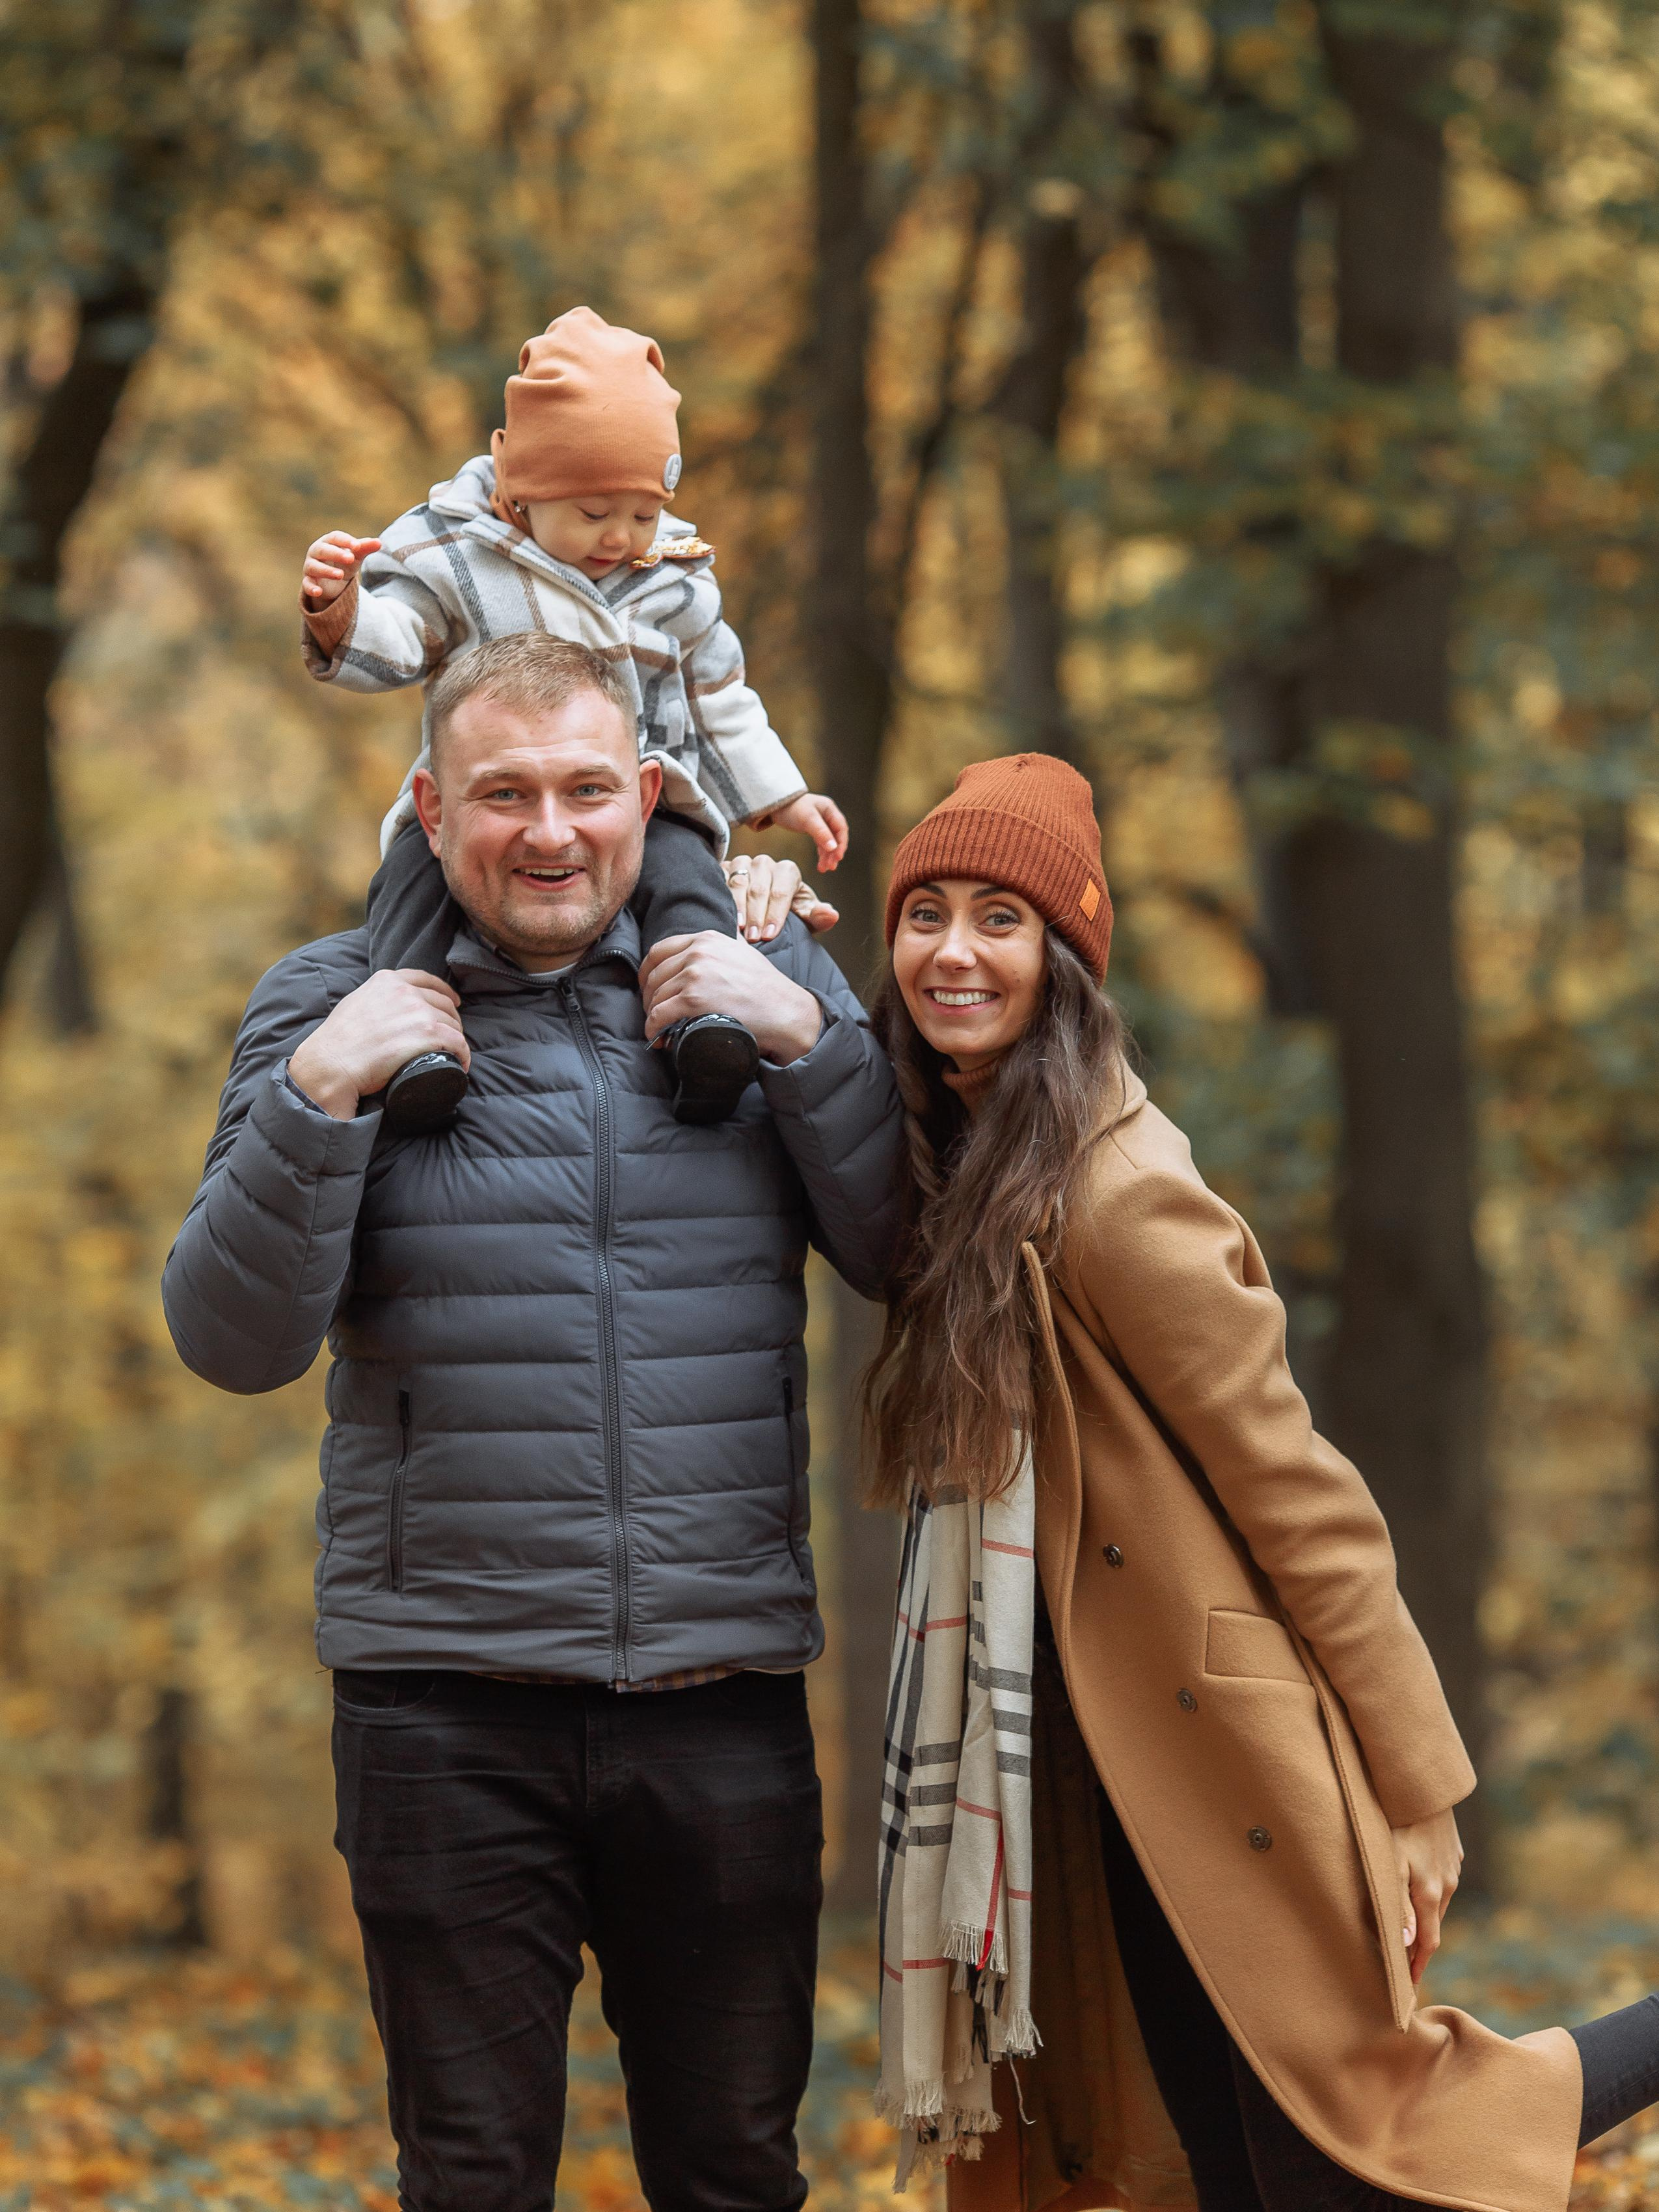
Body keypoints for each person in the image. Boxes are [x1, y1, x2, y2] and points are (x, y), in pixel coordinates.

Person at [161, 634, 902, 2212]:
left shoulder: (770, 983)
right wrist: (318, 1091)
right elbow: (231, 1338)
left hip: (721, 1696)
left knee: (733, 2168)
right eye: (504, 794)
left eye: (584, 789)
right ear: (429, 810)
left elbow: (913, 1253)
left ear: (648, 796)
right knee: (475, 2173)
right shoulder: (324, 999)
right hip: (441, 1705)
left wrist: (812, 1043)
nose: (550, 833)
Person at [865, 751, 1659, 2212]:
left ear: (1067, 958)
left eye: (1000, 918)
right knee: (1202, 2150)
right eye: (926, 914)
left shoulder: (1110, 1190)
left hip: (1204, 1742)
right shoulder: (960, 1161)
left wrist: (1418, 1786)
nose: (953, 951)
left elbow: (1299, 1489)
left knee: (1347, 2133)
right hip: (1077, 1761)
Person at [299, 303, 847, 1122]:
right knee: (411, 886)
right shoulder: (458, 554)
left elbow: (719, 692)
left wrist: (780, 794)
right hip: (485, 798)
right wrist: (340, 610)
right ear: (522, 491)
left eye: (643, 513)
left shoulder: (674, 577)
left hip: (643, 794)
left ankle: (703, 1026)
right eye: (594, 514)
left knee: (688, 884)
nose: (621, 537)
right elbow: (398, 641)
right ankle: (411, 1039)